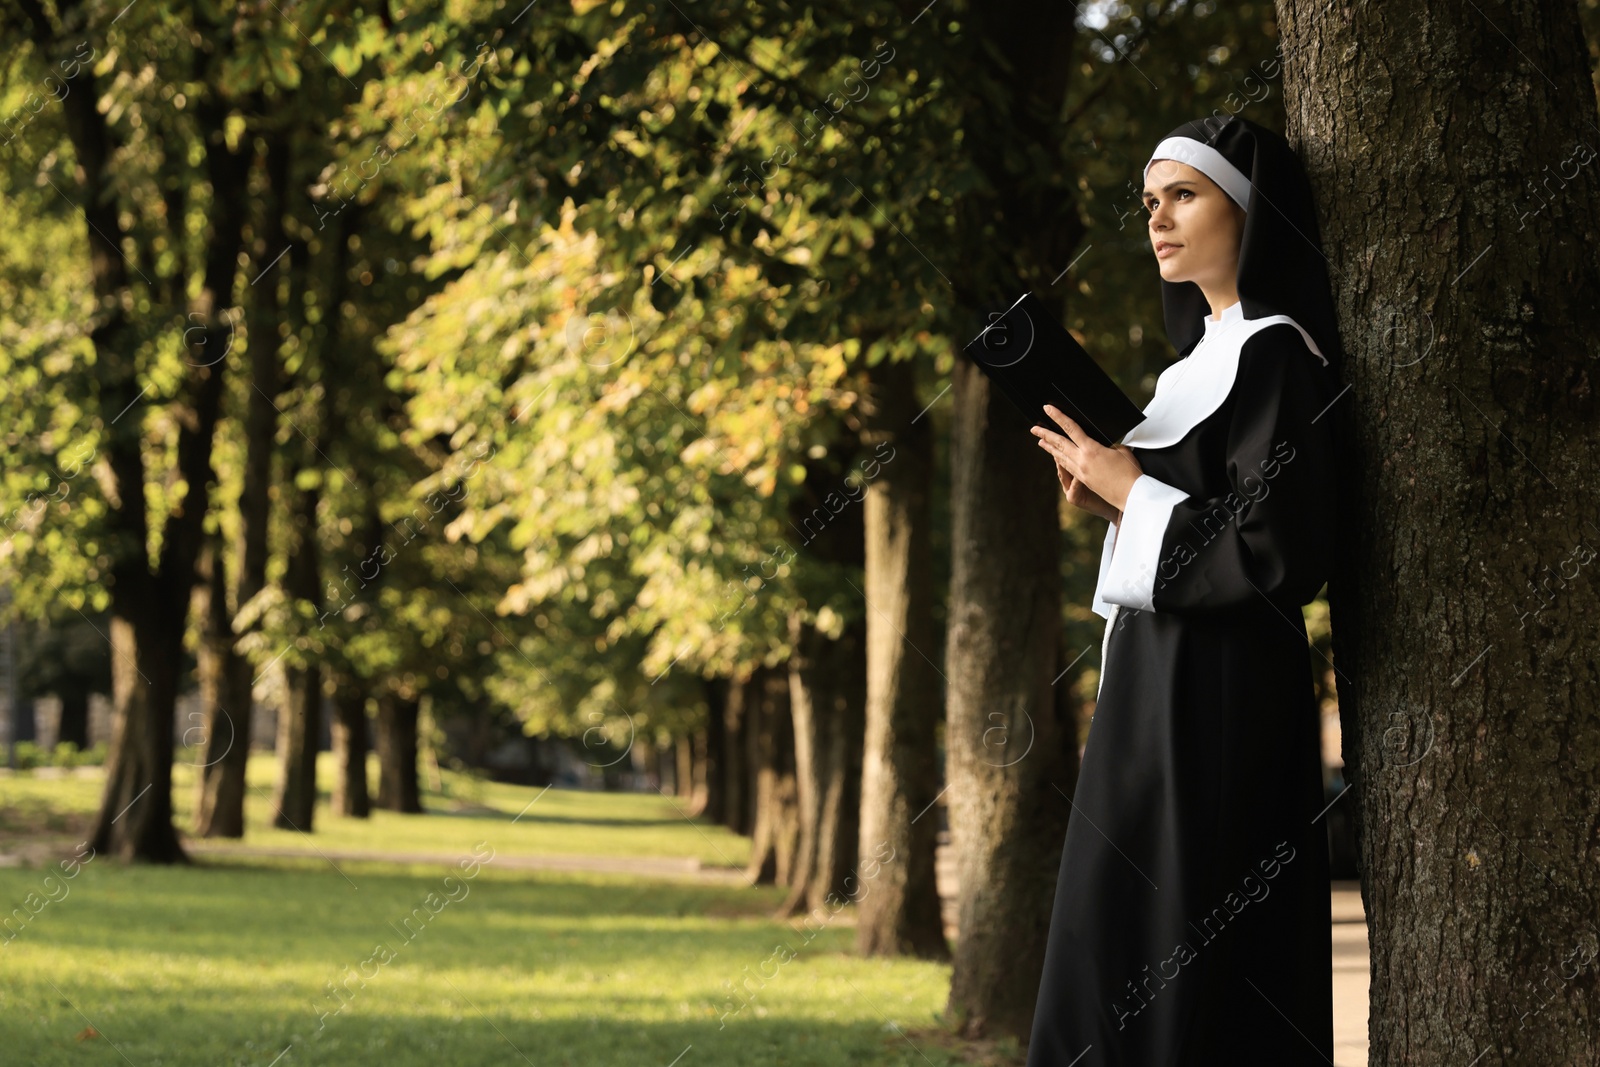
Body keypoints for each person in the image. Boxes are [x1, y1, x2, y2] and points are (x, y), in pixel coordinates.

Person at [1023, 114, 1344, 1066]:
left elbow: (1278, 549)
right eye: (1150, 202)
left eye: (1184, 196)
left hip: (1220, 699)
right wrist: (1113, 504)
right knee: (1110, 933)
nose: (1158, 219)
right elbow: (1187, 522)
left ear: (1247, 210)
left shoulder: (1279, 354)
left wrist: (1133, 491)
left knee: (1186, 949)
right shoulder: (1188, 371)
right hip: (1152, 686)